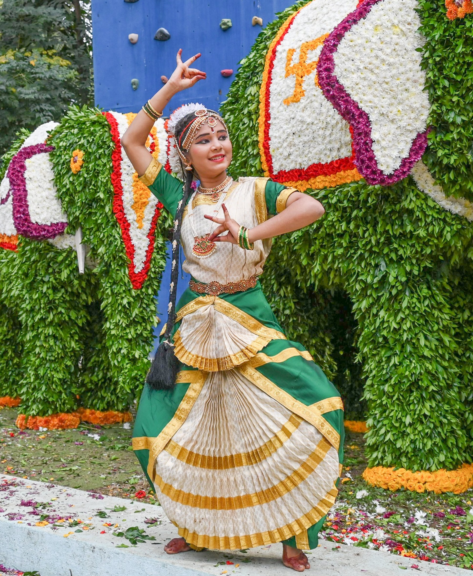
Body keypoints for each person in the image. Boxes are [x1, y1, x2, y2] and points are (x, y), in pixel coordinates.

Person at [122, 50, 344, 572]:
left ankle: (294, 535)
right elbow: (132, 140)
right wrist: (170, 91)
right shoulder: (176, 194)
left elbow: (311, 207)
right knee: (161, 426)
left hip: (250, 315)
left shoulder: (254, 190)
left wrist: (247, 232)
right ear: (185, 156)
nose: (217, 145)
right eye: (203, 140)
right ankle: (194, 526)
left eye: (220, 135)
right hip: (195, 321)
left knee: (317, 405)